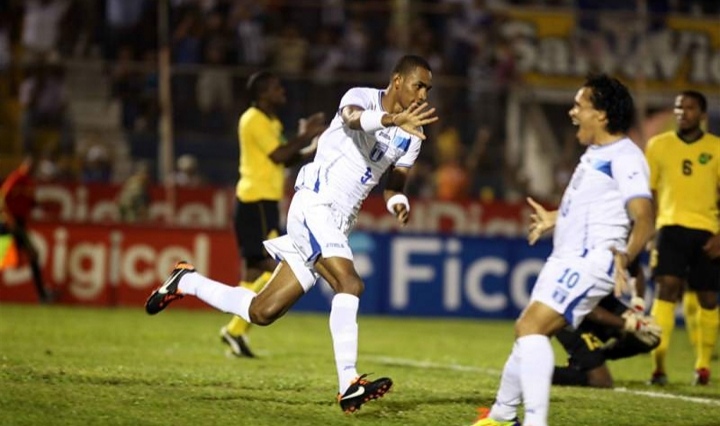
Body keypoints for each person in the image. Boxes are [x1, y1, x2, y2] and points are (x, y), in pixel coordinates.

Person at [145, 54, 438, 413]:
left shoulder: (413, 134)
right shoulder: (362, 96)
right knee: (350, 284)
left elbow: (395, 184)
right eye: (418, 85)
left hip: (338, 222)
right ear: (397, 81)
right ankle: (349, 382)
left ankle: (184, 281)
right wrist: (393, 119)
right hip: (314, 204)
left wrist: (398, 203)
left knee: (262, 311)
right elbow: (352, 119)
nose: (423, 94)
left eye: (428, 88)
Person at [472, 74, 655, 426]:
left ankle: (531, 421)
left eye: (579, 106)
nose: (572, 113)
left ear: (601, 115)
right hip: (567, 258)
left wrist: (626, 257)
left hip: (592, 260)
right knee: (525, 331)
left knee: (532, 329)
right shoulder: (596, 154)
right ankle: (500, 415)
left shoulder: (626, 157)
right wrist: (556, 218)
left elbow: (644, 218)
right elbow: (593, 206)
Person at [219, 70, 326, 358]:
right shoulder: (252, 119)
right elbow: (278, 155)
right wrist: (305, 135)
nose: (282, 91)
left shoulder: (272, 121)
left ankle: (236, 332)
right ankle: (235, 328)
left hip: (262, 202)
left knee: (254, 271)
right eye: (277, 87)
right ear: (263, 93)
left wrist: (310, 146)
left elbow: (286, 157)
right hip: (256, 200)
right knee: (277, 265)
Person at [645, 90, 720, 386]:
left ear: (702, 114)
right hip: (670, 227)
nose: (682, 112)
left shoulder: (716, 148)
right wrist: (649, 229)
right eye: (678, 107)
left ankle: (703, 366)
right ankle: (658, 366)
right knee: (667, 289)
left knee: (707, 296)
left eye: (689, 108)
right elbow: (649, 193)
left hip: (707, 231)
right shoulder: (658, 146)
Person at [553, 260, 662, 388]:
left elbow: (635, 270)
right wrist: (629, 323)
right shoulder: (591, 257)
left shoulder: (623, 245)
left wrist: (638, 306)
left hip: (600, 303)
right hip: (566, 313)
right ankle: (529, 372)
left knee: (649, 337)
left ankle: (590, 359)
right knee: (600, 381)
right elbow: (585, 307)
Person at [0, 156, 51, 302]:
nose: (30, 168)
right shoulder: (16, 178)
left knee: (33, 255)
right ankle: (42, 294)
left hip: (19, 224)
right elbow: (2, 199)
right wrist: (8, 219)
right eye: (29, 165)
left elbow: (30, 203)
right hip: (8, 224)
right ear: (23, 165)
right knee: (3, 258)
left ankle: (42, 295)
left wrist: (41, 205)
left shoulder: (30, 183)